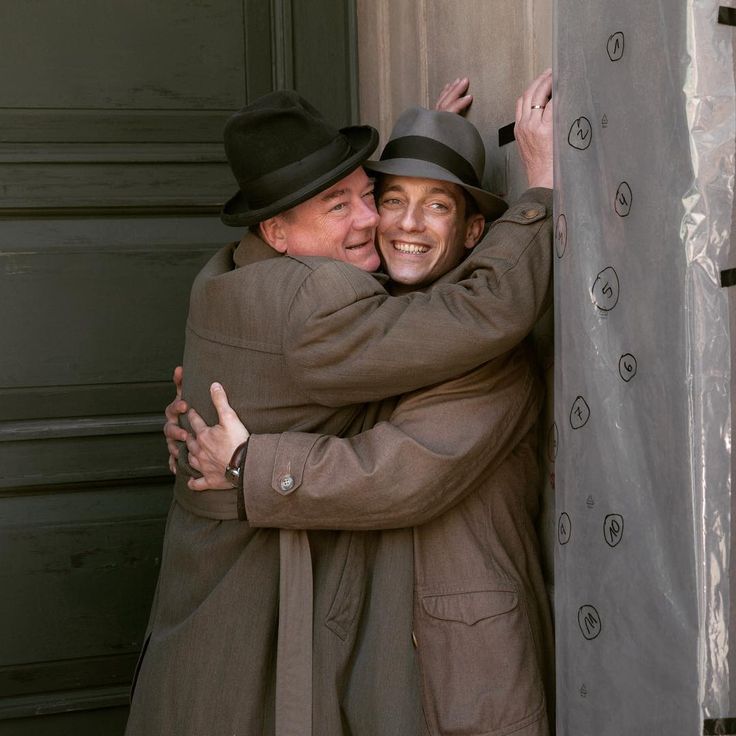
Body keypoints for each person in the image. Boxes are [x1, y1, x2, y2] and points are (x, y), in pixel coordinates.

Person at [128, 73, 552, 736]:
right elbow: (465, 313)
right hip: (269, 609)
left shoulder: (223, 275)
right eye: (345, 205)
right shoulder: (324, 303)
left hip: (441, 650)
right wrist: (527, 191)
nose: (377, 219)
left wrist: (429, 148)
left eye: (369, 197)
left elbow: (399, 450)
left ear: (473, 229)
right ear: (276, 232)